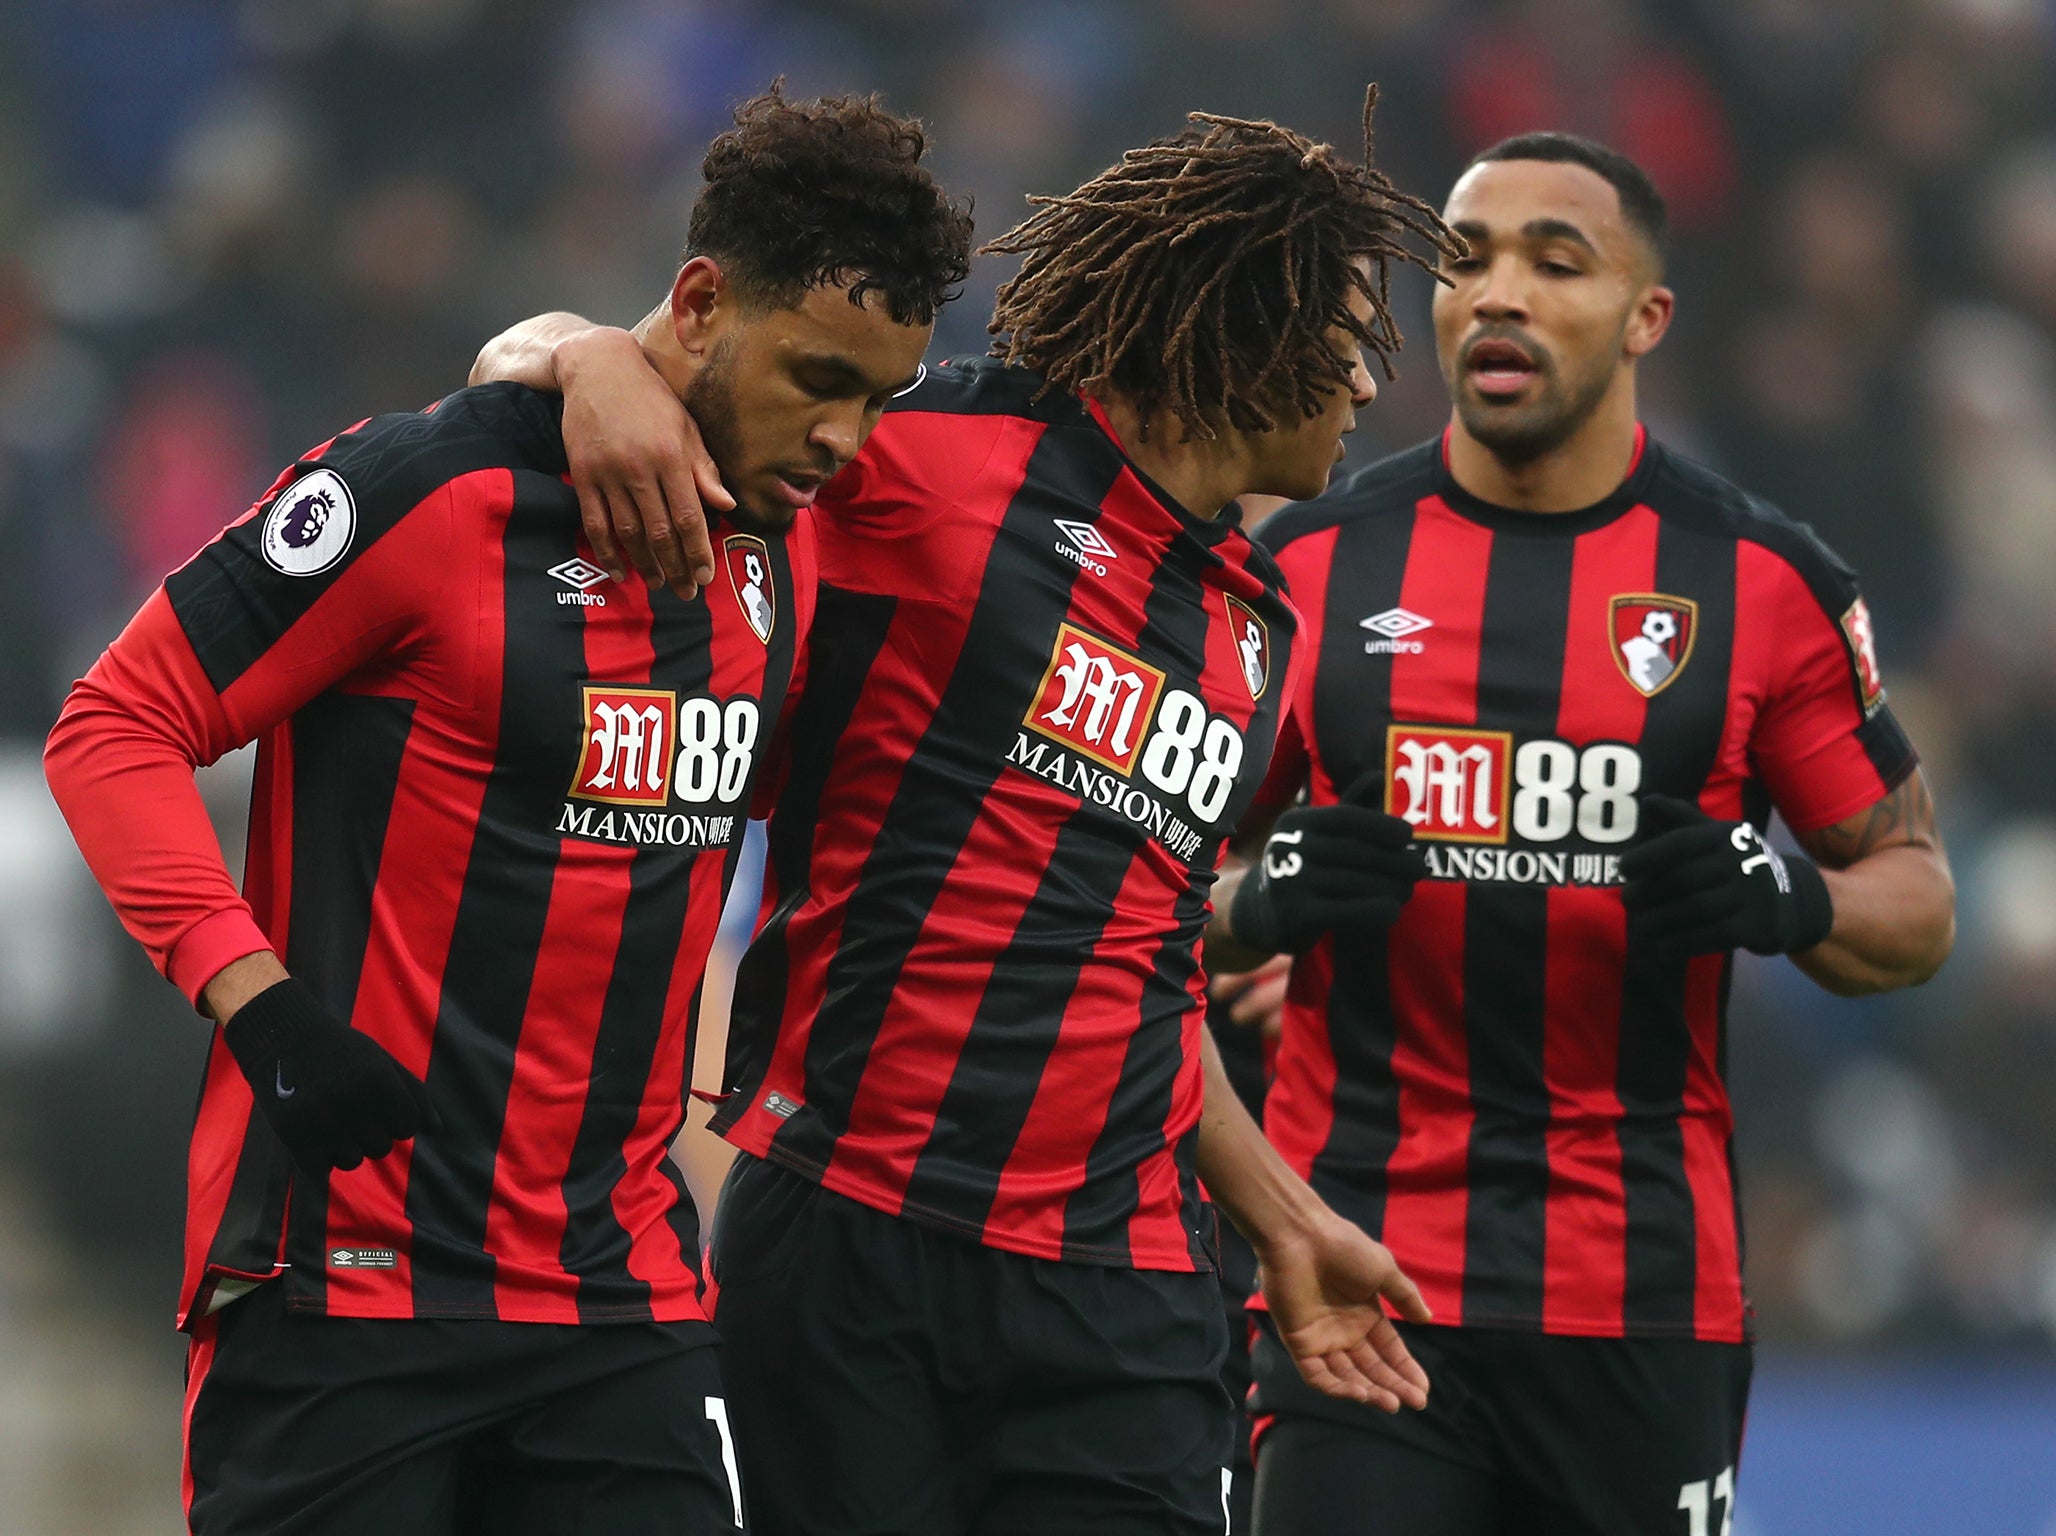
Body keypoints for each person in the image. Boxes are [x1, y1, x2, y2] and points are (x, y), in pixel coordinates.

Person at [474, 92, 1462, 1536]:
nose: (1371, 393)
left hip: (1125, 1294)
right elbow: (558, 362)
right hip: (854, 1241)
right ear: (1245, 322)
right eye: (1349, 343)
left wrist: (1291, 1224)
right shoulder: (932, 460)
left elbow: (1143, 965)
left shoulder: (1261, 628)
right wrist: (585, 363)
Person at [43, 88, 972, 1536]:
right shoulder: (431, 492)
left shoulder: (781, 569)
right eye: (816, 377)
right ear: (704, 301)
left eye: (880, 399)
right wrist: (264, 1009)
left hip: (624, 1304)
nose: (845, 438)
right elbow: (115, 724)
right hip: (348, 1287)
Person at [1207, 133, 1956, 1536]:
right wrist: (1258, 898)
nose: (1499, 293)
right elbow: (1128, 888)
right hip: (1362, 1276)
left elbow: (1917, 905)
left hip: (1645, 1299)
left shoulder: (1762, 580)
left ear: (1646, 317)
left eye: (1557, 263)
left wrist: (1787, 899)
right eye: (1466, 259)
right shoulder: (1308, 565)